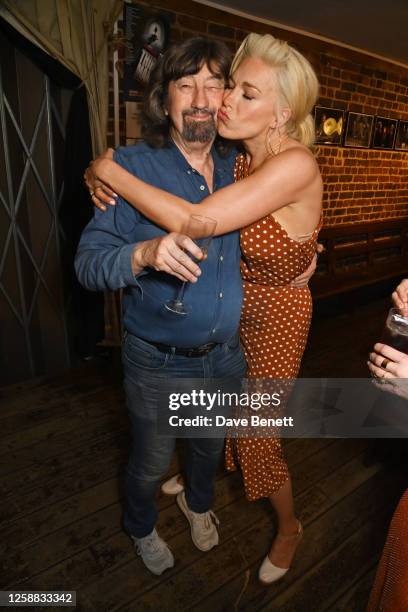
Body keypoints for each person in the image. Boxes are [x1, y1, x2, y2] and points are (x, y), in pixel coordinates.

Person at [85, 32, 322, 583]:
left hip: (272, 321)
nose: (219, 101)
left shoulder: (272, 160)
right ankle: (170, 499)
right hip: (206, 327)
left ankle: (288, 528)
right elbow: (92, 261)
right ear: (164, 97)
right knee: (185, 430)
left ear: (281, 112)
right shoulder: (239, 154)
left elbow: (209, 220)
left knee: (256, 434)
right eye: (226, 88)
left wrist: (108, 167)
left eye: (236, 90)